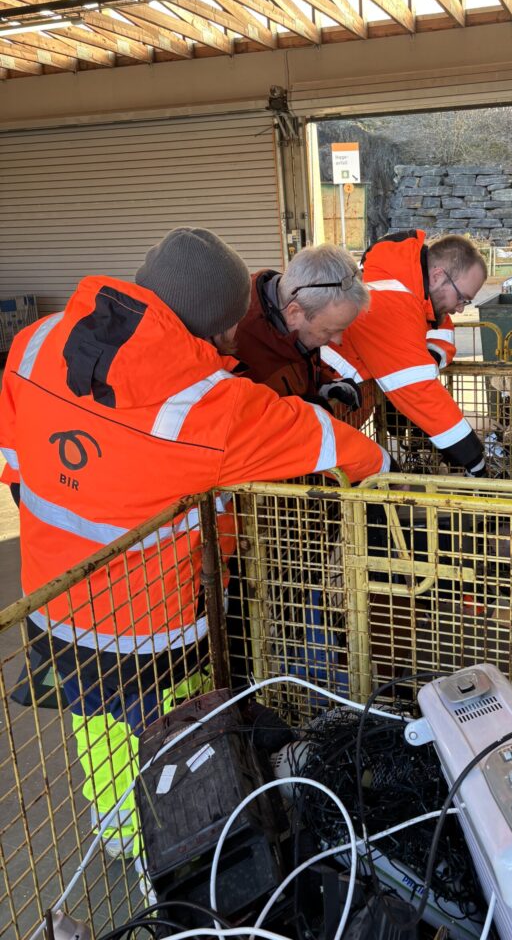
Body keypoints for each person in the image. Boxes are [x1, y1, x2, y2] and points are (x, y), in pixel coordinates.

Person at [0, 226, 391, 859]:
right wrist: (382, 465)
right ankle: (175, 855)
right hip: (157, 626)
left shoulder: (33, 343)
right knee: (177, 741)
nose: (236, 338)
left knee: (97, 733)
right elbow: (329, 441)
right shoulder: (209, 406)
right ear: (208, 327)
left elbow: (15, 468)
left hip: (53, 603)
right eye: (229, 328)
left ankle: (123, 843)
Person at [321, 230, 488, 475]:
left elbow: (440, 325)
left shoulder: (411, 288)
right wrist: (476, 463)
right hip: (321, 401)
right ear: (438, 275)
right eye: (462, 298)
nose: (460, 309)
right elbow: (420, 394)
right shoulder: (389, 301)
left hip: (343, 405)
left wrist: (429, 356)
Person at [226, 244, 368, 411]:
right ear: (294, 312)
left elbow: (298, 366)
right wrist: (295, 411)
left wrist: (325, 385)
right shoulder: (233, 342)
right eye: (329, 331)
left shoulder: (291, 320)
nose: (338, 340)